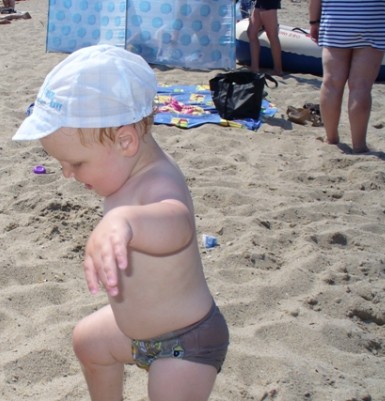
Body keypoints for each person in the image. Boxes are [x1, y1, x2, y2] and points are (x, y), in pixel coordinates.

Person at [12, 45, 229, 401]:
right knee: (87, 341)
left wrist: (126, 221)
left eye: (76, 163)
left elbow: (177, 225)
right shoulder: (121, 173)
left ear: (125, 140)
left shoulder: (158, 180)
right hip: (136, 332)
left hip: (186, 341)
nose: (67, 174)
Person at [309, 0, 385, 153]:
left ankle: (331, 138)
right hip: (372, 22)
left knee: (331, 83)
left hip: (336, 20)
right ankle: (359, 145)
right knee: (360, 86)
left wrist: (313, 21)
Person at [246, 0, 283, 75]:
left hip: (268, 3)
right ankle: (254, 68)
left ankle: (278, 69)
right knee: (251, 33)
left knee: (272, 34)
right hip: (260, 2)